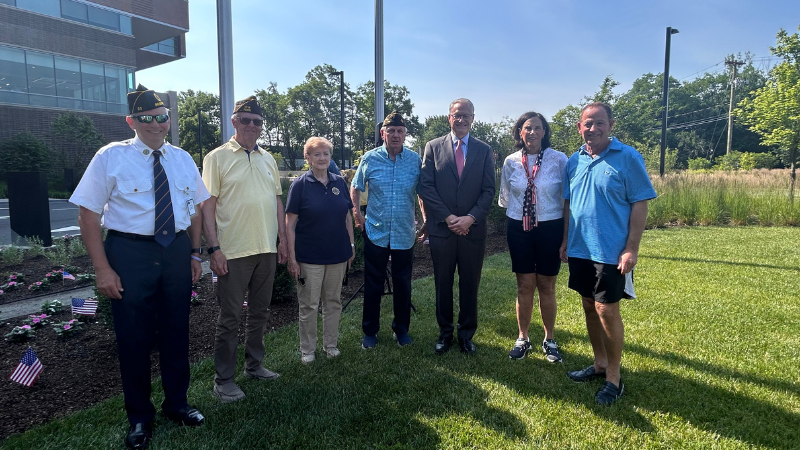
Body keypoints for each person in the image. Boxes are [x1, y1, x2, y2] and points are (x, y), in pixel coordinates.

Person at [70, 84, 209, 449]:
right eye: (147, 119)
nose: (156, 125)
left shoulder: (181, 158)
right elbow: (87, 215)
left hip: (176, 251)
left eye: (162, 118)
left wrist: (196, 253)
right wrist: (103, 269)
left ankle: (177, 404)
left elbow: (194, 210)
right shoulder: (110, 157)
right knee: (134, 338)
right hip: (130, 253)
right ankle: (139, 418)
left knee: (177, 331)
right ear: (132, 121)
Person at [561, 102, 657, 406]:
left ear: (610, 125)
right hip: (579, 248)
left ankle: (614, 376)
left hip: (611, 252)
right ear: (579, 127)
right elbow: (568, 204)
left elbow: (640, 202)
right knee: (589, 305)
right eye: (588, 123)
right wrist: (565, 241)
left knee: (606, 309)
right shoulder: (573, 161)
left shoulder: (627, 158)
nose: (593, 128)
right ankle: (599, 363)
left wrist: (632, 248)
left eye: (599, 123)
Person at [201, 96, 288, 403]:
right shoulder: (217, 157)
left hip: (265, 248)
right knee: (230, 317)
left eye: (258, 121)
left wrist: (283, 242)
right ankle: (223, 379)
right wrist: (213, 249)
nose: (252, 125)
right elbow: (207, 204)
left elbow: (276, 201)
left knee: (261, 313)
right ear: (234, 121)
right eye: (246, 120)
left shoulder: (268, 158)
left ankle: (255, 365)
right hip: (233, 251)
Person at [419, 98, 495, 355]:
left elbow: (488, 190)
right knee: (443, 282)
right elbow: (425, 186)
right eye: (456, 115)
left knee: (470, 283)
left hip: (473, 230)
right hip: (443, 229)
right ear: (449, 117)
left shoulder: (484, 150)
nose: (461, 119)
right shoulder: (432, 147)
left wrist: (470, 218)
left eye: (466, 115)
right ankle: (444, 333)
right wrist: (449, 217)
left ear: (473, 118)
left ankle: (466, 334)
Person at [499, 111, 568, 362]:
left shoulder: (559, 159)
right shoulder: (510, 161)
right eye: (527, 128)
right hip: (519, 227)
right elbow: (506, 197)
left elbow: (566, 198)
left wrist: (565, 237)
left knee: (547, 286)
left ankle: (549, 339)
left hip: (550, 227)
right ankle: (523, 337)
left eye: (537, 128)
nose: (532, 132)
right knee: (525, 285)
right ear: (520, 132)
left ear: (544, 132)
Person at [350, 112, 423, 349]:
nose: (395, 135)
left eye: (400, 131)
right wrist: (357, 215)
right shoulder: (370, 158)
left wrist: (426, 220)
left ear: (405, 134)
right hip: (376, 230)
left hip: (404, 231)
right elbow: (355, 187)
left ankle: (401, 330)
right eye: (390, 131)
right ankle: (370, 332)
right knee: (373, 283)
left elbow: (422, 193)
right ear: (383, 133)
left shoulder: (414, 160)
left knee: (403, 283)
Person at [285, 137, 355, 364]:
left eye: (326, 153)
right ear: (308, 158)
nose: (322, 158)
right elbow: (290, 224)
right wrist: (293, 258)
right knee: (309, 304)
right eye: (317, 154)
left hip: (337, 254)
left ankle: (331, 345)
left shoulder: (339, 182)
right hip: (309, 257)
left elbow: (347, 217)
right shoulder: (300, 185)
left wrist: (351, 247)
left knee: (333, 302)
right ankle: (308, 350)